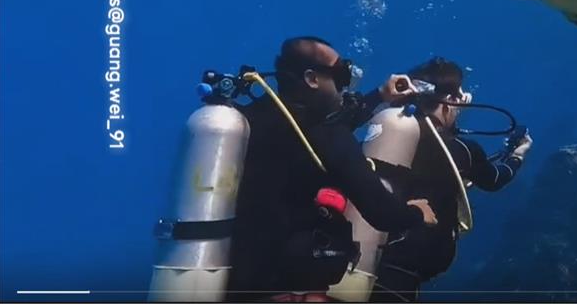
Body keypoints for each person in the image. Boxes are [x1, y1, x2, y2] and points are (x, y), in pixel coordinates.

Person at [228, 37, 439, 303]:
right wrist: (417, 213)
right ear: (311, 79)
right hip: (283, 286)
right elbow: (384, 214)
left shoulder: (255, 117)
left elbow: (328, 123)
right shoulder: (328, 136)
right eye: (341, 74)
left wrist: (381, 96)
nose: (346, 85)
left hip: (235, 279)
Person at [369, 57, 534, 303]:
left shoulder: (389, 136)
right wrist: (517, 156)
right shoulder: (461, 150)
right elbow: (494, 179)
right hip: (402, 275)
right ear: (450, 102)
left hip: (363, 261)